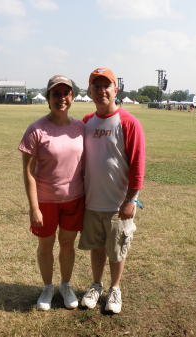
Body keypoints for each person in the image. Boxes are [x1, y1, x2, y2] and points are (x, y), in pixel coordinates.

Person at [78, 67, 145, 314]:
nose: (101, 90)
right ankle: (96, 285)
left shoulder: (129, 122)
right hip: (92, 201)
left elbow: (138, 164)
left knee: (117, 250)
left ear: (115, 90)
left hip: (118, 204)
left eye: (106, 86)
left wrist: (132, 200)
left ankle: (115, 289)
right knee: (97, 247)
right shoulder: (86, 122)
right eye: (96, 86)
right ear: (90, 91)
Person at [18, 75, 84, 311]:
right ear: (48, 98)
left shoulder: (81, 128)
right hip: (45, 200)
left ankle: (65, 286)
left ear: (72, 98)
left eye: (66, 93)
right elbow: (28, 172)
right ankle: (47, 287)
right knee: (45, 246)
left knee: (67, 245)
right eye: (56, 94)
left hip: (74, 199)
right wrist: (34, 207)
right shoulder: (36, 130)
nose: (61, 98)